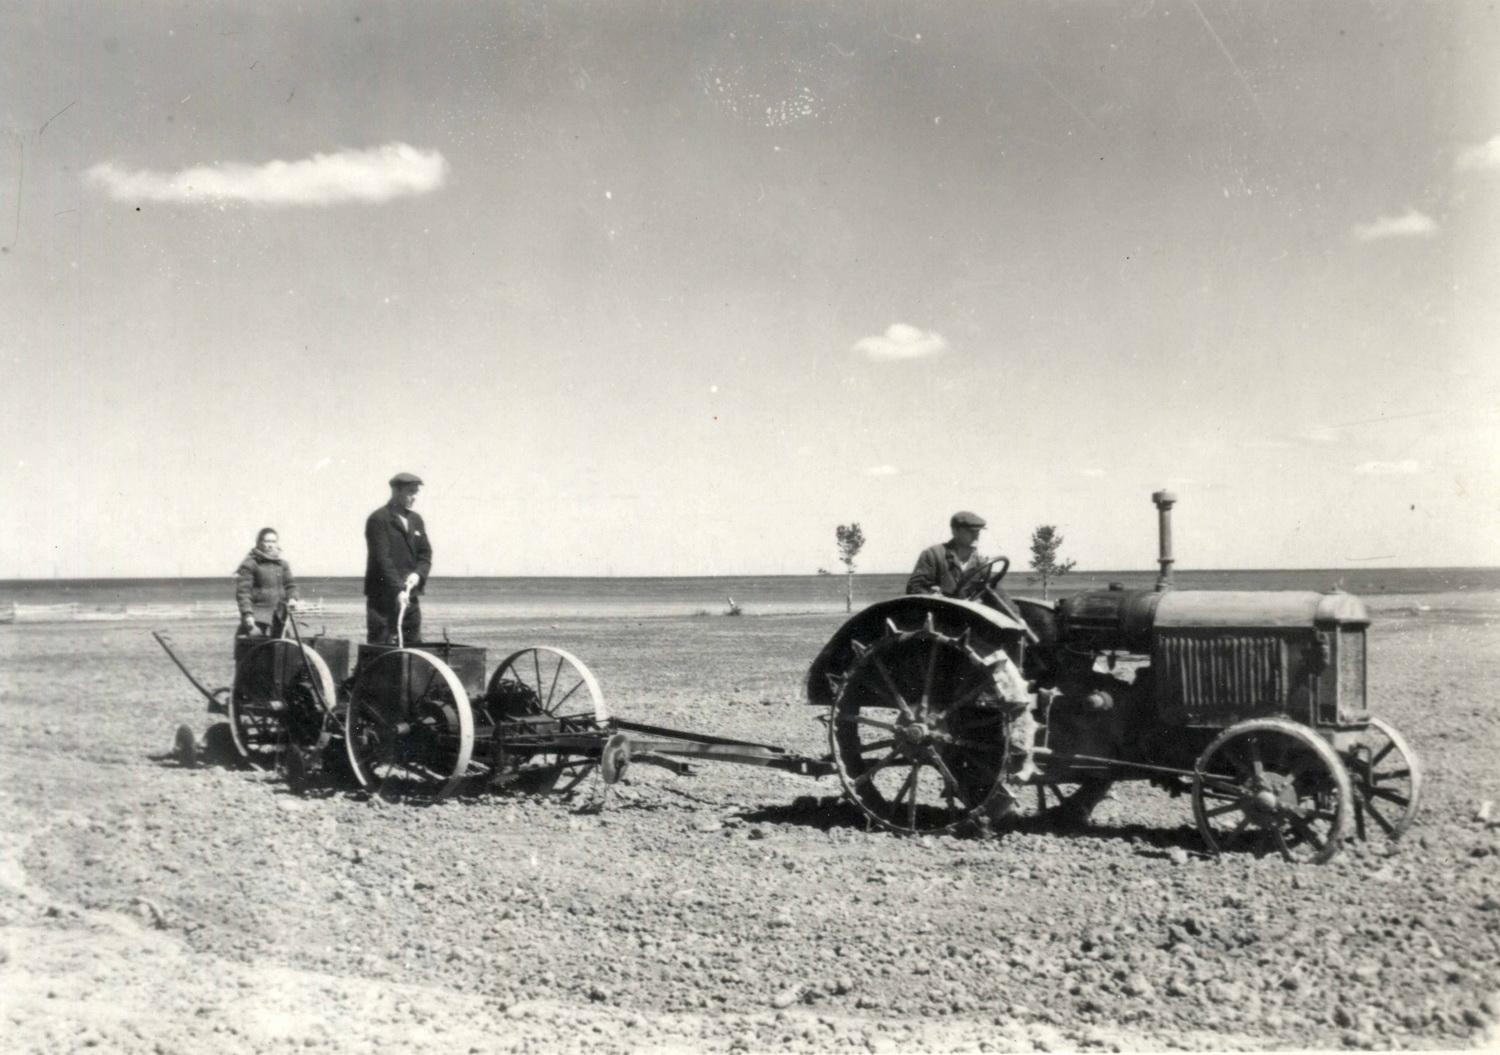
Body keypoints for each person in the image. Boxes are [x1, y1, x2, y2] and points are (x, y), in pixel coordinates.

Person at [364, 472, 432, 645]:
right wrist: (397, 590)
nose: (414, 497)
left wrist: (418, 574)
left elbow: (425, 554)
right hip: (382, 598)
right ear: (396, 491)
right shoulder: (378, 519)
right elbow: (382, 559)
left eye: (416, 492)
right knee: (380, 647)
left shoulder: (416, 520)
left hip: (410, 596)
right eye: (411, 492)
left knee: (413, 646)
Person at [906, 511, 990, 597]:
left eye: (978, 531)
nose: (976, 536)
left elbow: (990, 593)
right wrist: (932, 595)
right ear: (955, 531)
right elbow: (914, 588)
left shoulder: (982, 563)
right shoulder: (933, 555)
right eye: (970, 531)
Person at [235, 527, 299, 637]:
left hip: (280, 618)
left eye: (273, 541)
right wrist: (247, 614)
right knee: (256, 646)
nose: (270, 545)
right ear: (259, 542)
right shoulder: (250, 564)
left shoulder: (282, 564)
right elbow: (243, 593)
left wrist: (292, 598)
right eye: (267, 541)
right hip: (257, 618)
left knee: (283, 646)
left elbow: (290, 585)